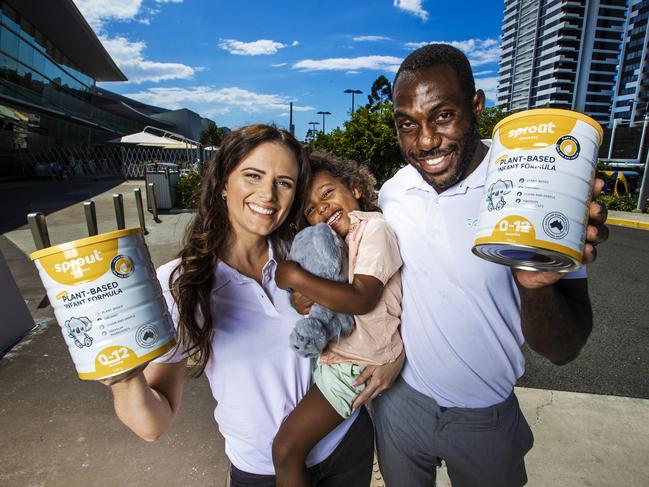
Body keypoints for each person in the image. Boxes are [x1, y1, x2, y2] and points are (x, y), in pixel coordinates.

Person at [370, 44, 610, 486]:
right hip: (399, 404)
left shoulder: (531, 189)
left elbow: (563, 349)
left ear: (476, 106)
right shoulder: (394, 192)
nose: (425, 141)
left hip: (485, 419)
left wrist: (535, 284)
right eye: (408, 124)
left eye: (443, 116)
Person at [102, 125, 375, 487]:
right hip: (263, 472)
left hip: (346, 445)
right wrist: (124, 378)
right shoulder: (180, 284)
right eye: (253, 175)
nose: (268, 194)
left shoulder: (308, 252)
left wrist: (390, 361)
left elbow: (380, 301)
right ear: (223, 183)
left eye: (284, 182)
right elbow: (153, 425)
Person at [271, 152, 405, 487]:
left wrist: (293, 277)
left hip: (355, 365)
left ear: (356, 188)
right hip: (339, 357)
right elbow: (327, 293)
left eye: (327, 194)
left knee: (287, 449)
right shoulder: (340, 242)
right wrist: (302, 296)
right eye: (311, 209)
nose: (322, 209)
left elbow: (361, 298)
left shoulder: (375, 229)